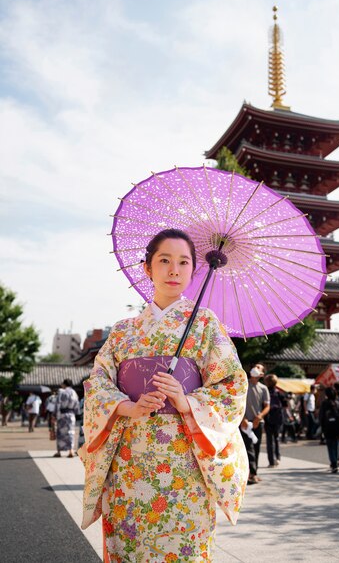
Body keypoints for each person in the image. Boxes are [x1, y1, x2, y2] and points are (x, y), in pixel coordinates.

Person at [79, 229, 249, 562]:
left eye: (184, 262)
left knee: (182, 547)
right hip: (130, 459)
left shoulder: (205, 324)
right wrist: (128, 406)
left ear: (193, 270)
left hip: (183, 460)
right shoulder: (124, 331)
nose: (174, 270)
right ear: (147, 268)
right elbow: (98, 382)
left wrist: (187, 402)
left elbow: (231, 385)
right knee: (131, 545)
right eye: (165, 261)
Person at [241, 365, 270, 484]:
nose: (255, 368)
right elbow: (238, 402)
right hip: (245, 422)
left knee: (256, 449)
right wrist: (242, 418)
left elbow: (267, 406)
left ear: (261, 374)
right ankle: (250, 474)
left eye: (259, 367)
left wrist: (259, 417)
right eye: (255, 366)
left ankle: (254, 473)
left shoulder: (263, 388)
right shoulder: (244, 385)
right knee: (248, 448)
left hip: (258, 422)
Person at [319, 387, 339, 473]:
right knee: (336, 445)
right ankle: (336, 462)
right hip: (336, 427)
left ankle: (333, 463)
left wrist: (322, 427)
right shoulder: (338, 404)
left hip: (327, 427)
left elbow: (321, 417)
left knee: (330, 446)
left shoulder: (324, 404)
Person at [54, 379, 79, 458]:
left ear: (64, 384)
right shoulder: (74, 393)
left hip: (62, 414)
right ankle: (71, 450)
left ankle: (59, 452)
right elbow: (76, 405)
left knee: (60, 432)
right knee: (70, 432)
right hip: (71, 415)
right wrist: (75, 413)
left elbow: (58, 404)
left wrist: (55, 415)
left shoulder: (61, 392)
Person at [264, 374, 283, 467]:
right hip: (278, 418)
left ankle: (271, 462)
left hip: (268, 418)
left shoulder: (265, 391)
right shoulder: (278, 392)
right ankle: (278, 458)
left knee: (269, 441)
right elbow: (284, 404)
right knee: (276, 439)